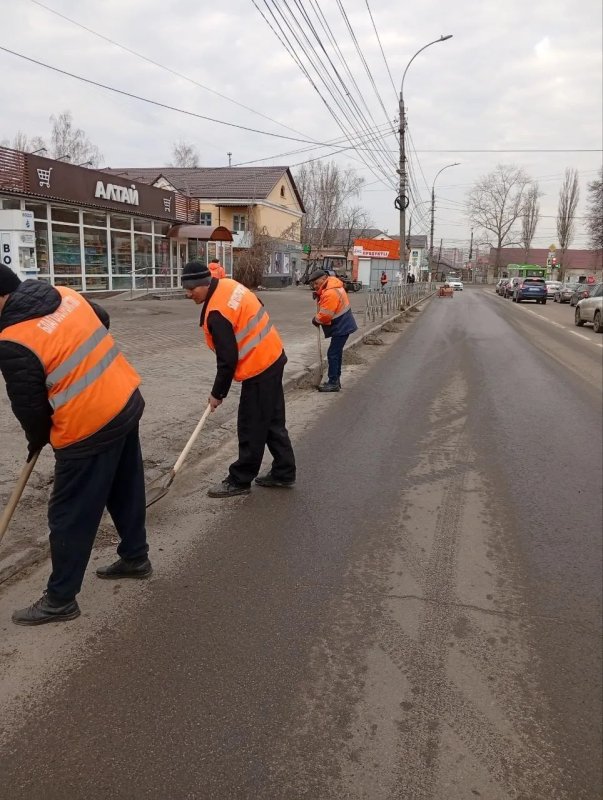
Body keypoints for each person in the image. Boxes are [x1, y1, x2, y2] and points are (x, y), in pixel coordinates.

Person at [0, 265, 151, 626]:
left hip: (88, 426)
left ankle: (60, 599)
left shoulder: (13, 340)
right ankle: (135, 558)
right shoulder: (66, 295)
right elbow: (103, 319)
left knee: (69, 513)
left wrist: (38, 439)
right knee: (125, 489)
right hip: (124, 399)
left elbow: (30, 407)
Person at [182, 261, 296, 497]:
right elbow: (258, 304)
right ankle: (284, 472)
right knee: (272, 421)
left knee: (251, 425)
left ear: (205, 284)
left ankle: (240, 479)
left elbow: (227, 360)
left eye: (191, 289)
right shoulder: (228, 285)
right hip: (273, 355)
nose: (188, 294)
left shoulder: (217, 313)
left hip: (259, 367)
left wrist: (217, 394)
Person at [308, 268, 358, 393]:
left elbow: (326, 315)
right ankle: (336, 379)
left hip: (342, 326)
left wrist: (316, 320)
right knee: (336, 353)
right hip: (343, 325)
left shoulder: (330, 293)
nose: (315, 286)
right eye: (313, 284)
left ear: (324, 279)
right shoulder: (332, 286)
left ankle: (333, 382)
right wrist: (319, 295)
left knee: (333, 354)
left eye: (316, 283)